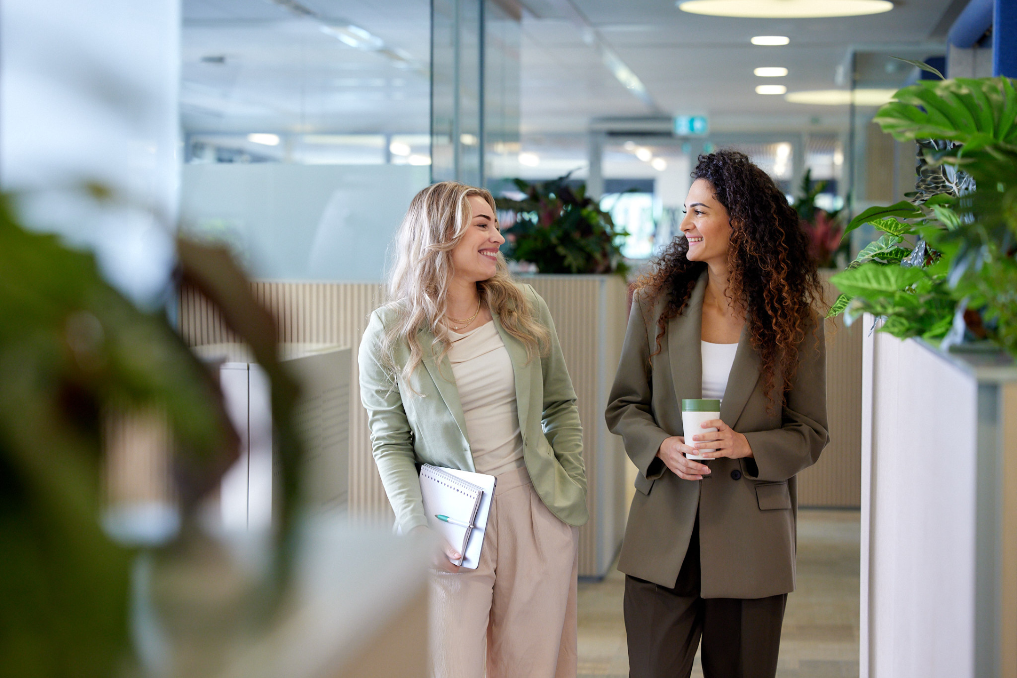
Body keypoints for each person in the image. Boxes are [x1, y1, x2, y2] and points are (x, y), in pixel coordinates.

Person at [605, 150, 830, 678]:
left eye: (700, 211)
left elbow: (810, 432)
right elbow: (624, 406)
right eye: (685, 211)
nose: (685, 224)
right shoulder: (655, 305)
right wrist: (661, 446)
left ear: (742, 221)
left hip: (751, 540)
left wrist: (746, 445)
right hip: (664, 533)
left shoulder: (795, 322)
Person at [358, 181, 588, 678]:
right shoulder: (391, 330)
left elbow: (560, 404)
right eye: (483, 225)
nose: (498, 238)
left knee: (529, 667)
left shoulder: (524, 308)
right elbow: (389, 442)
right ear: (440, 234)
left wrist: (570, 483)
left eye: (496, 225)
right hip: (452, 520)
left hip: (533, 508)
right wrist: (416, 527)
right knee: (452, 665)